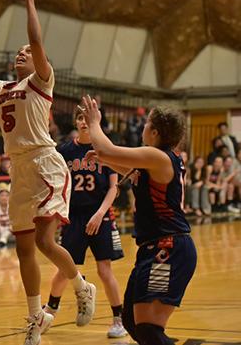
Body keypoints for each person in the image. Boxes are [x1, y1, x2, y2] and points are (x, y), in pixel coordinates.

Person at [0, 0, 96, 344]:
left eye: (26, 52)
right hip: (18, 168)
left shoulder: (41, 80)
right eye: (17, 53)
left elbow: (36, 40)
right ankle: (36, 316)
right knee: (23, 250)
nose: (22, 54)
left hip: (45, 161)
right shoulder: (3, 88)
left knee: (45, 243)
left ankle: (82, 287)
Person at [80, 97, 197, 345]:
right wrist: (104, 161)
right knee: (131, 322)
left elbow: (106, 149)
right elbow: (130, 172)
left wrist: (94, 123)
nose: (142, 127)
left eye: (146, 123)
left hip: (168, 247)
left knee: (147, 329)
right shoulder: (155, 162)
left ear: (154, 132)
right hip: (154, 247)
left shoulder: (159, 157)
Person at [43, 106, 126, 338]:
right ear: (76, 123)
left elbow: (114, 188)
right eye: (79, 118)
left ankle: (118, 319)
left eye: (87, 119)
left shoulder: (105, 149)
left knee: (104, 269)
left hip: (100, 215)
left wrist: (100, 213)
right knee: (64, 269)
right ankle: (49, 309)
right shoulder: (65, 151)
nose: (83, 122)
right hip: (74, 216)